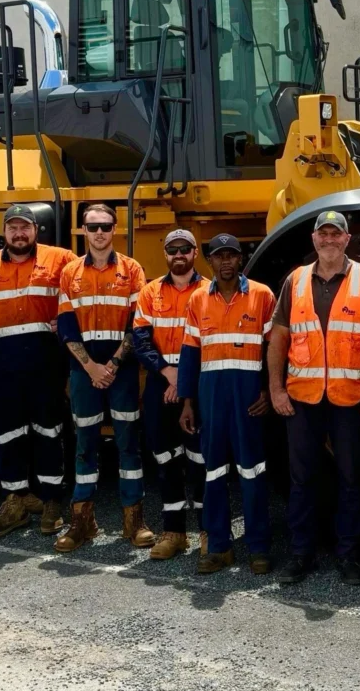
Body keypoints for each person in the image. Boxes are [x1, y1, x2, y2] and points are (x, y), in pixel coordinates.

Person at [268, 211, 360, 586]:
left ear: (347, 239)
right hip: (302, 398)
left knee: (352, 478)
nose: (330, 240)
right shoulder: (295, 281)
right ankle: (301, 554)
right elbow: (279, 338)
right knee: (302, 478)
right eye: (324, 234)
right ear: (314, 239)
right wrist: (275, 388)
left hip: (350, 398)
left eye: (336, 234)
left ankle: (348, 555)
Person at [0, 205, 76, 539]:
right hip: (3, 365)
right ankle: (16, 501)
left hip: (46, 362)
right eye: (13, 228)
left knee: (49, 432)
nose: (19, 234)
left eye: (25, 227)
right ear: (4, 231)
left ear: (36, 230)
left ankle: (52, 500)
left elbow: (82, 295)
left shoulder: (61, 259)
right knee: (9, 434)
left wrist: (69, 320)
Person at [55, 204, 154, 553]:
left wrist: (111, 364)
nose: (99, 233)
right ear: (83, 230)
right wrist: (91, 367)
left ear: (115, 229)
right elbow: (66, 326)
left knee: (128, 443)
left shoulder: (132, 270)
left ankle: (134, 520)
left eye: (106, 226)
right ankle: (82, 521)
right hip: (85, 371)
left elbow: (137, 323)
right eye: (93, 226)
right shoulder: (69, 273)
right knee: (85, 446)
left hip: (121, 370)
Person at [178, 233, 276, 575]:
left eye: (231, 255)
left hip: (249, 399)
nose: (225, 262)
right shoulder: (197, 300)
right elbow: (189, 354)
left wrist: (268, 390)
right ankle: (219, 547)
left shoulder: (262, 295)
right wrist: (188, 403)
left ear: (240, 259)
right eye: (219, 256)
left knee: (253, 472)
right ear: (210, 261)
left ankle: (259, 548)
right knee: (214, 472)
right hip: (211, 398)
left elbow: (273, 349)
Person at [133, 229, 209, 560]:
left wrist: (185, 379)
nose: (178, 254)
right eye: (172, 249)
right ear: (165, 254)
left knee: (202, 461)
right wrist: (168, 373)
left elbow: (214, 339)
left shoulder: (210, 290)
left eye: (184, 249)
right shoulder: (150, 292)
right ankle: (174, 532)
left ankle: (209, 531)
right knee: (166, 460)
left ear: (195, 253)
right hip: (160, 381)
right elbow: (141, 339)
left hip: (200, 383)